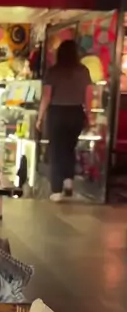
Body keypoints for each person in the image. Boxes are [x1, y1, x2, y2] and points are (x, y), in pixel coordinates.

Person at [36, 39, 92, 202]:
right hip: (76, 113)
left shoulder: (53, 72)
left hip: (57, 112)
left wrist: (40, 117)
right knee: (69, 148)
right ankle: (68, 182)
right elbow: (88, 96)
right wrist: (89, 116)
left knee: (56, 150)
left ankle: (56, 189)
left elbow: (46, 96)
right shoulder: (83, 71)